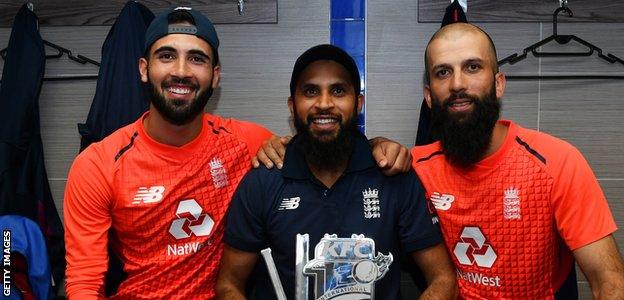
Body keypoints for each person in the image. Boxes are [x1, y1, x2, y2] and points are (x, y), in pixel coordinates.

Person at [63, 7, 411, 299]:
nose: (181, 71)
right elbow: (84, 281)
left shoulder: (246, 141)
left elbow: (322, 138)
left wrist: (375, 145)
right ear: (143, 69)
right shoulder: (97, 164)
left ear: (215, 77)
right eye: (167, 56)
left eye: (196, 59)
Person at [215, 44, 457, 300]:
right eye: (310, 91)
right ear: (291, 105)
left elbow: (443, 279)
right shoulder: (263, 181)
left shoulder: (394, 175)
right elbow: (228, 285)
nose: (324, 103)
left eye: (338, 91)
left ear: (358, 103)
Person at [411, 22, 624, 298]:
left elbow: (611, 282)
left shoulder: (558, 162)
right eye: (443, 72)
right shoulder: (416, 167)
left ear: (498, 84)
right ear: (429, 96)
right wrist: (378, 145)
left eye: (473, 67)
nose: (458, 84)